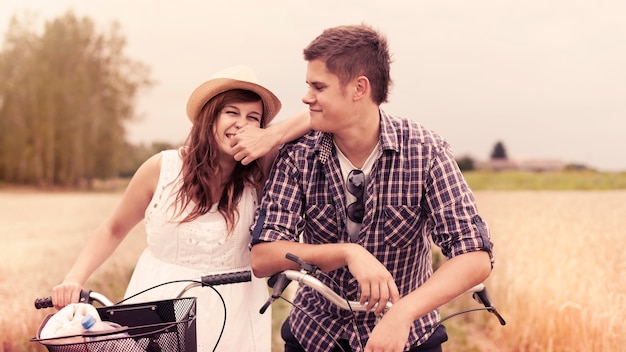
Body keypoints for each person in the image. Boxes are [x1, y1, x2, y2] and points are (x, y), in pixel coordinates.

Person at [248, 24, 494, 352]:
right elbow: (264, 255)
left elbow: (475, 255)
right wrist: (347, 252)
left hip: (409, 338)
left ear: (359, 88)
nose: (306, 97)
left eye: (318, 86)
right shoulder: (298, 154)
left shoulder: (426, 150)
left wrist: (403, 313)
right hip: (315, 336)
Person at [50, 65, 310, 352]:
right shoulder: (162, 168)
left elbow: (317, 113)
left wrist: (272, 137)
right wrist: (73, 278)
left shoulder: (259, 173)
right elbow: (113, 229)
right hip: (160, 312)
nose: (241, 124)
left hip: (234, 313)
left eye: (253, 118)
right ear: (209, 117)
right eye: (231, 113)